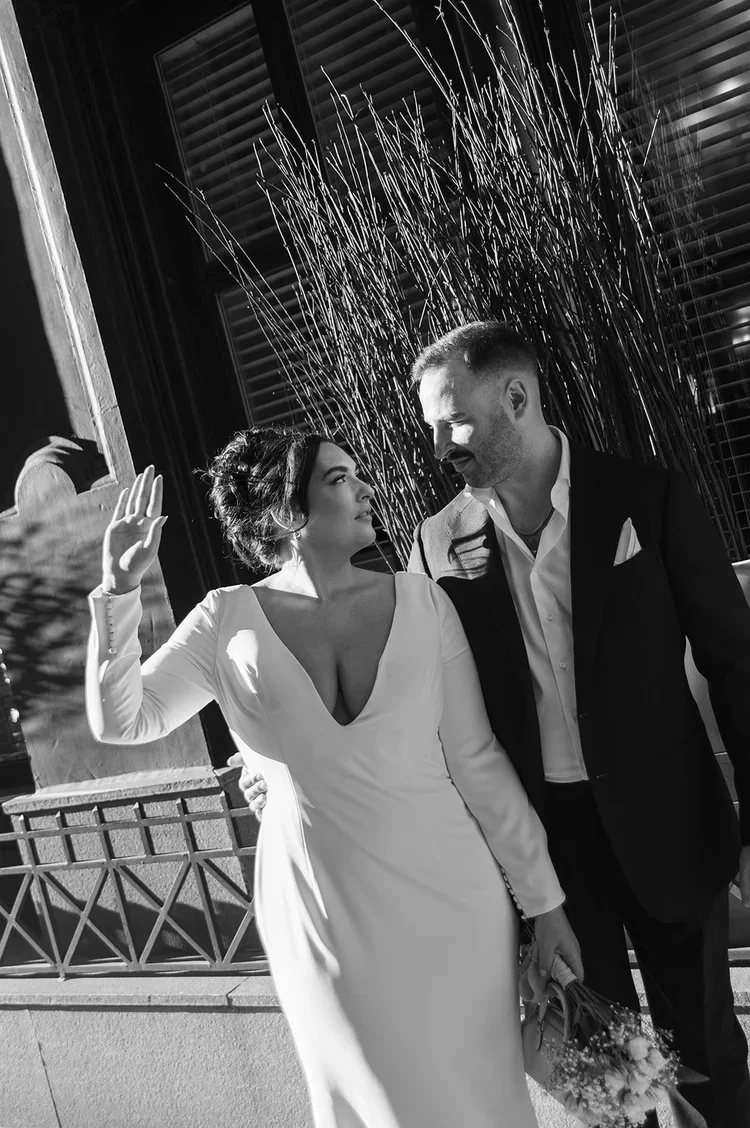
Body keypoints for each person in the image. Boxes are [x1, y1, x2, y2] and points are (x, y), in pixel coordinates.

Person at [241, 322, 750, 1128]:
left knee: (709, 1059)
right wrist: (279, 766)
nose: (439, 446)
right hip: (550, 852)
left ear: (517, 396)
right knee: (611, 1085)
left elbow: (736, 662)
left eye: (454, 421)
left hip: (671, 823)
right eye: (431, 426)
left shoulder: (646, 496)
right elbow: (421, 710)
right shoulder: (435, 544)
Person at [85, 426, 582, 1128]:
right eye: (340, 479)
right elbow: (122, 720)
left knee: (484, 1102)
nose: (365, 489)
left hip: (455, 901)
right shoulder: (223, 622)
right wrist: (118, 589)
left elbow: (477, 761)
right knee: (375, 1103)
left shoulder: (423, 602)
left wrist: (544, 902)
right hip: (318, 909)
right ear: (286, 511)